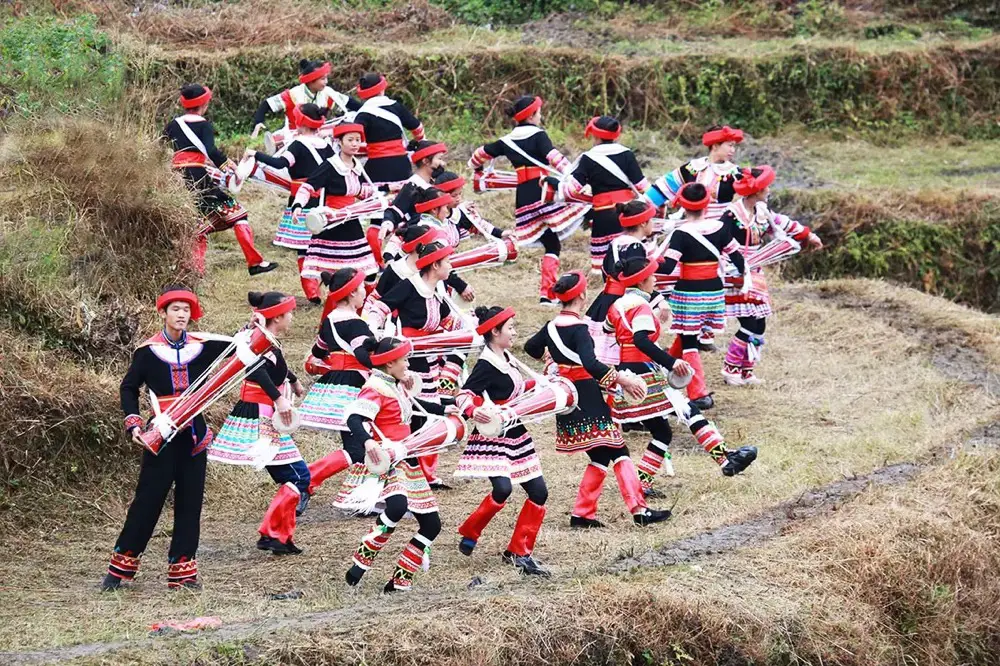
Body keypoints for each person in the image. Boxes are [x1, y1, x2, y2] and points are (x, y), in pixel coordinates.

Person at [101, 286, 234, 591]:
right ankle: (120, 570)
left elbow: (241, 351)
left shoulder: (205, 346)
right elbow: (128, 387)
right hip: (160, 434)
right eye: (176, 309)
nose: (182, 315)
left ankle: (183, 573)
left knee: (191, 503)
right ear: (163, 313)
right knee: (148, 500)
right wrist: (133, 423)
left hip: (195, 437)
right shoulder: (147, 352)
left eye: (186, 310)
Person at [523, 272, 672, 528]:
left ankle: (583, 514)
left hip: (569, 396)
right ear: (581, 295)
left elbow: (530, 347)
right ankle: (639, 510)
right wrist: (622, 380)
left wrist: (552, 362)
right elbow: (591, 363)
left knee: (601, 454)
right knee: (619, 450)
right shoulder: (579, 328)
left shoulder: (550, 327)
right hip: (587, 395)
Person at [605, 258, 758, 491]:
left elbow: (608, 329)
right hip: (644, 372)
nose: (655, 280)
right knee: (688, 410)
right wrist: (672, 361)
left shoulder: (616, 306)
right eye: (653, 276)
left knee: (662, 432)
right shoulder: (642, 307)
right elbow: (640, 340)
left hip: (626, 373)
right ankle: (725, 458)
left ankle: (642, 485)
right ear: (644, 280)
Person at [206, 291, 311, 555]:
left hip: (264, 413)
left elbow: (273, 365)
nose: (292, 319)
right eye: (289, 314)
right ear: (276, 317)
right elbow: (256, 368)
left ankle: (277, 536)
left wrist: (293, 378)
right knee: (299, 476)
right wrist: (279, 399)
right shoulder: (261, 341)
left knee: (291, 477)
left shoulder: (265, 339)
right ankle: (272, 533)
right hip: (262, 415)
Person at [341, 337, 446, 593]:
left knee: (432, 524)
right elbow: (355, 419)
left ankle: (400, 580)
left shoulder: (395, 385)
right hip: (388, 460)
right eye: (405, 360)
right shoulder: (375, 386)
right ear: (390, 363)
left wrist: (454, 407)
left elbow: (420, 410)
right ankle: (360, 562)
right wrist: (368, 443)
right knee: (397, 507)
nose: (408, 364)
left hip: (407, 458)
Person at [454, 306, 549, 576]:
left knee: (539, 492)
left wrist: (543, 385)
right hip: (494, 437)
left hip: (516, 431)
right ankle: (471, 530)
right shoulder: (486, 363)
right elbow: (463, 396)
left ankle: (519, 552)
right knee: (503, 489)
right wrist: (475, 410)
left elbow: (514, 388)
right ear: (495, 332)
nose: (514, 332)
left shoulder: (507, 357)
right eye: (510, 328)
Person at [468, 95, 587, 304]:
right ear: (532, 115)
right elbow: (554, 158)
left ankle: (547, 294)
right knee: (585, 205)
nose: (540, 116)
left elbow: (477, 156)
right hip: (544, 192)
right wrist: (573, 176)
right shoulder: (539, 135)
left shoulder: (506, 141)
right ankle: (548, 293)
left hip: (523, 196)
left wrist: (478, 170)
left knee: (551, 242)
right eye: (539, 112)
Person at [366, 241, 466, 487]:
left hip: (429, 359)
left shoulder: (435, 294)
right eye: (448, 262)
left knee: (428, 412)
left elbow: (453, 322)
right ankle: (403, 472)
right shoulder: (409, 287)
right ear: (435, 265)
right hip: (407, 360)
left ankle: (423, 473)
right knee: (414, 413)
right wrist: (372, 331)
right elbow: (378, 307)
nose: (451, 267)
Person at [720, 166, 822, 385]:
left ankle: (747, 370)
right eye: (765, 187)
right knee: (748, 322)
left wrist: (808, 236)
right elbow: (718, 240)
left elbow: (784, 224)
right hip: (736, 273)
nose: (769, 190)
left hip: (755, 271)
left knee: (760, 324)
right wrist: (729, 265)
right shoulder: (732, 214)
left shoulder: (762, 211)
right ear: (756, 190)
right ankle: (731, 369)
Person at [166, 84, 276, 277]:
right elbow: (210, 150)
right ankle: (255, 263)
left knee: (196, 223)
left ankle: (194, 269)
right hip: (198, 176)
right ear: (204, 104)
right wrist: (230, 166)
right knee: (238, 214)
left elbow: (161, 146)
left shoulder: (173, 124)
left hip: (175, 177)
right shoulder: (203, 125)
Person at [660, 183, 747, 411]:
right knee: (687, 332)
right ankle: (663, 370)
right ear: (707, 203)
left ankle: (697, 393)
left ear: (683, 205)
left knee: (690, 341)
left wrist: (649, 260)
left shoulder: (680, 234)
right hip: (714, 292)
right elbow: (738, 260)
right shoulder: (720, 228)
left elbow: (668, 267)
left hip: (689, 293)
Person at [245, 103, 335, 302]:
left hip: (302, 198)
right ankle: (329, 278)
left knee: (304, 247)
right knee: (323, 243)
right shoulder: (326, 144)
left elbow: (280, 163)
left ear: (300, 121)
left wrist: (256, 154)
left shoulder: (297, 144)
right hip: (324, 198)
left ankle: (312, 290)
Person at [299, 268, 375, 496]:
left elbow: (318, 350)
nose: (365, 291)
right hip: (356, 386)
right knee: (358, 447)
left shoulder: (330, 320)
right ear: (352, 293)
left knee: (360, 444)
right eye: (362, 287)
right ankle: (307, 478)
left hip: (337, 384)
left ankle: (365, 494)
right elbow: (364, 356)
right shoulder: (355, 323)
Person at [558, 116, 649, 273]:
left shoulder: (588, 158)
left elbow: (573, 189)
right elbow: (642, 186)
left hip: (603, 216)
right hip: (627, 215)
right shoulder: (627, 154)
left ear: (596, 135)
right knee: (632, 262)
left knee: (608, 266)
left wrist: (554, 186)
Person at [293, 120, 381, 283]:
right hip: (333, 220)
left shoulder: (357, 166)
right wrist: (298, 205)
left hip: (351, 219)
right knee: (339, 273)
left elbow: (359, 191)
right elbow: (308, 186)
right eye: (350, 140)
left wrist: (387, 192)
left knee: (367, 272)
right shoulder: (331, 165)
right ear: (339, 142)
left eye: (357, 139)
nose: (355, 144)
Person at [250, 59, 360, 139]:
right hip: (294, 137)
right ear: (311, 80)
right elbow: (267, 104)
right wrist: (258, 122)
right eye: (322, 79)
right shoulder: (293, 95)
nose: (326, 82)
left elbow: (348, 103)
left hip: (320, 136)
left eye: (326, 78)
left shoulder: (327, 93)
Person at [355, 73, 425, 186]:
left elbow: (356, 141)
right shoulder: (396, 106)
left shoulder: (362, 115)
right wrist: (418, 142)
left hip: (376, 165)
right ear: (382, 88)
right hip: (400, 164)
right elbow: (418, 129)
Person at [433, 171, 508, 243]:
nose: (458, 198)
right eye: (454, 196)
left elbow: (479, 225)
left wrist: (501, 233)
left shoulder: (458, 213)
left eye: (460, 194)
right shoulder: (432, 217)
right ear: (441, 195)